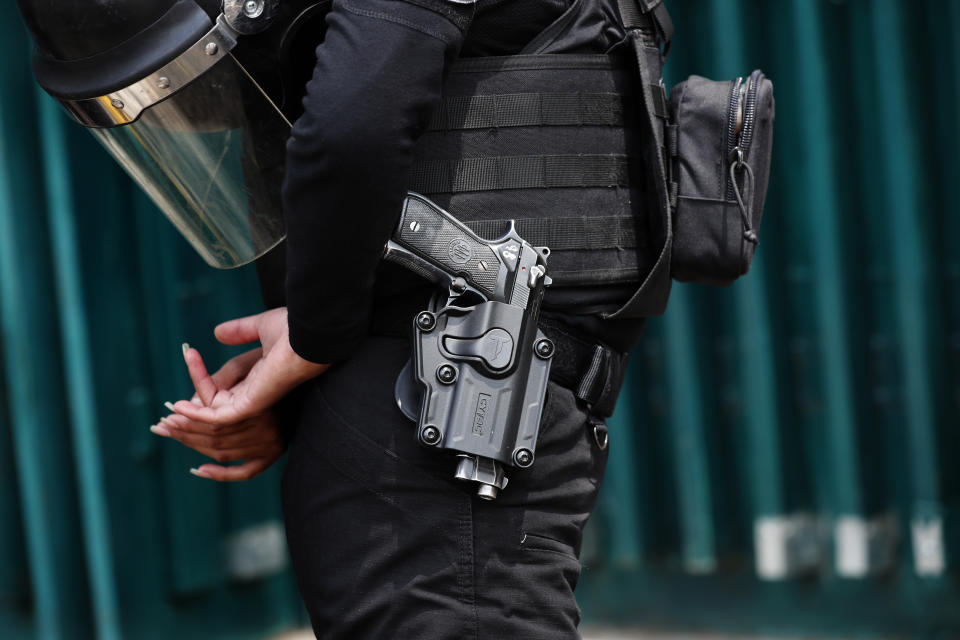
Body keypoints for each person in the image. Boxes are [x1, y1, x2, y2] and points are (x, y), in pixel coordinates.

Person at [20, 0, 658, 636]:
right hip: (436, 397)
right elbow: (343, 131)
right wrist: (304, 359)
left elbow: (352, 131)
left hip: (448, 406)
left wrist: (308, 343)